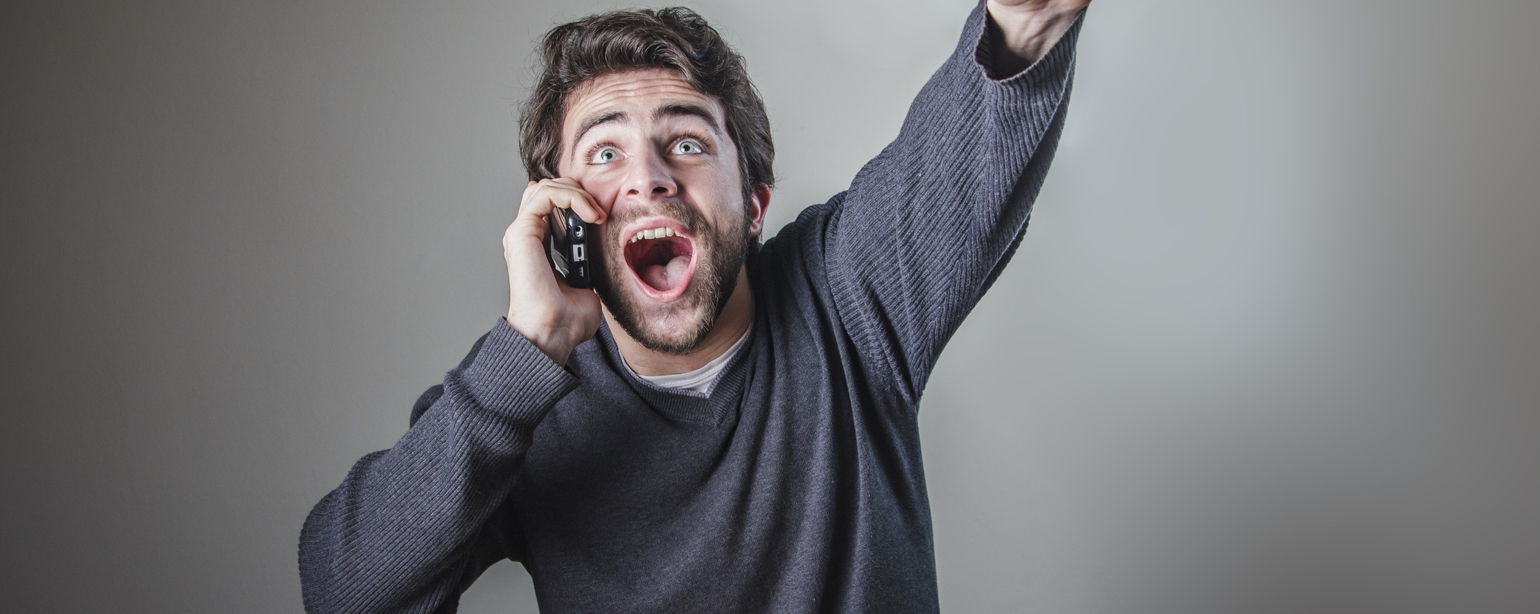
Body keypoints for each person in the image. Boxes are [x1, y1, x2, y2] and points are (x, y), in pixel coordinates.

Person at [299, 1, 1089, 611]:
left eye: (687, 142)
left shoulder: (848, 293)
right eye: (605, 152)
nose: (648, 177)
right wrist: (529, 348)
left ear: (752, 206)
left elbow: (962, 148)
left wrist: (1021, 23)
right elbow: (345, 590)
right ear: (563, 217)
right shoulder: (518, 402)